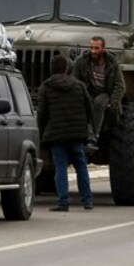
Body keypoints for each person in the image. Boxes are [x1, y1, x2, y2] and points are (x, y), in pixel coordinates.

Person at [37, 54, 94, 212]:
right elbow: (89, 109)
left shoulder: (46, 87)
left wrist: (40, 134)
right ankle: (87, 200)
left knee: (60, 167)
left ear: (51, 69)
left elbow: (42, 113)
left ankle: (63, 202)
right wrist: (83, 127)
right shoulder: (79, 85)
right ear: (67, 68)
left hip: (56, 134)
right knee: (81, 166)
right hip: (77, 133)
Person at [72, 36, 126, 149]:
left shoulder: (112, 62)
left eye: (96, 48)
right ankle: (85, 136)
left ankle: (93, 137)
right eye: (91, 48)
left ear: (103, 48)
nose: (93, 51)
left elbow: (120, 85)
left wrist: (113, 102)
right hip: (88, 90)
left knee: (98, 103)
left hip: (105, 92)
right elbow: (74, 80)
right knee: (87, 103)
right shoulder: (82, 61)